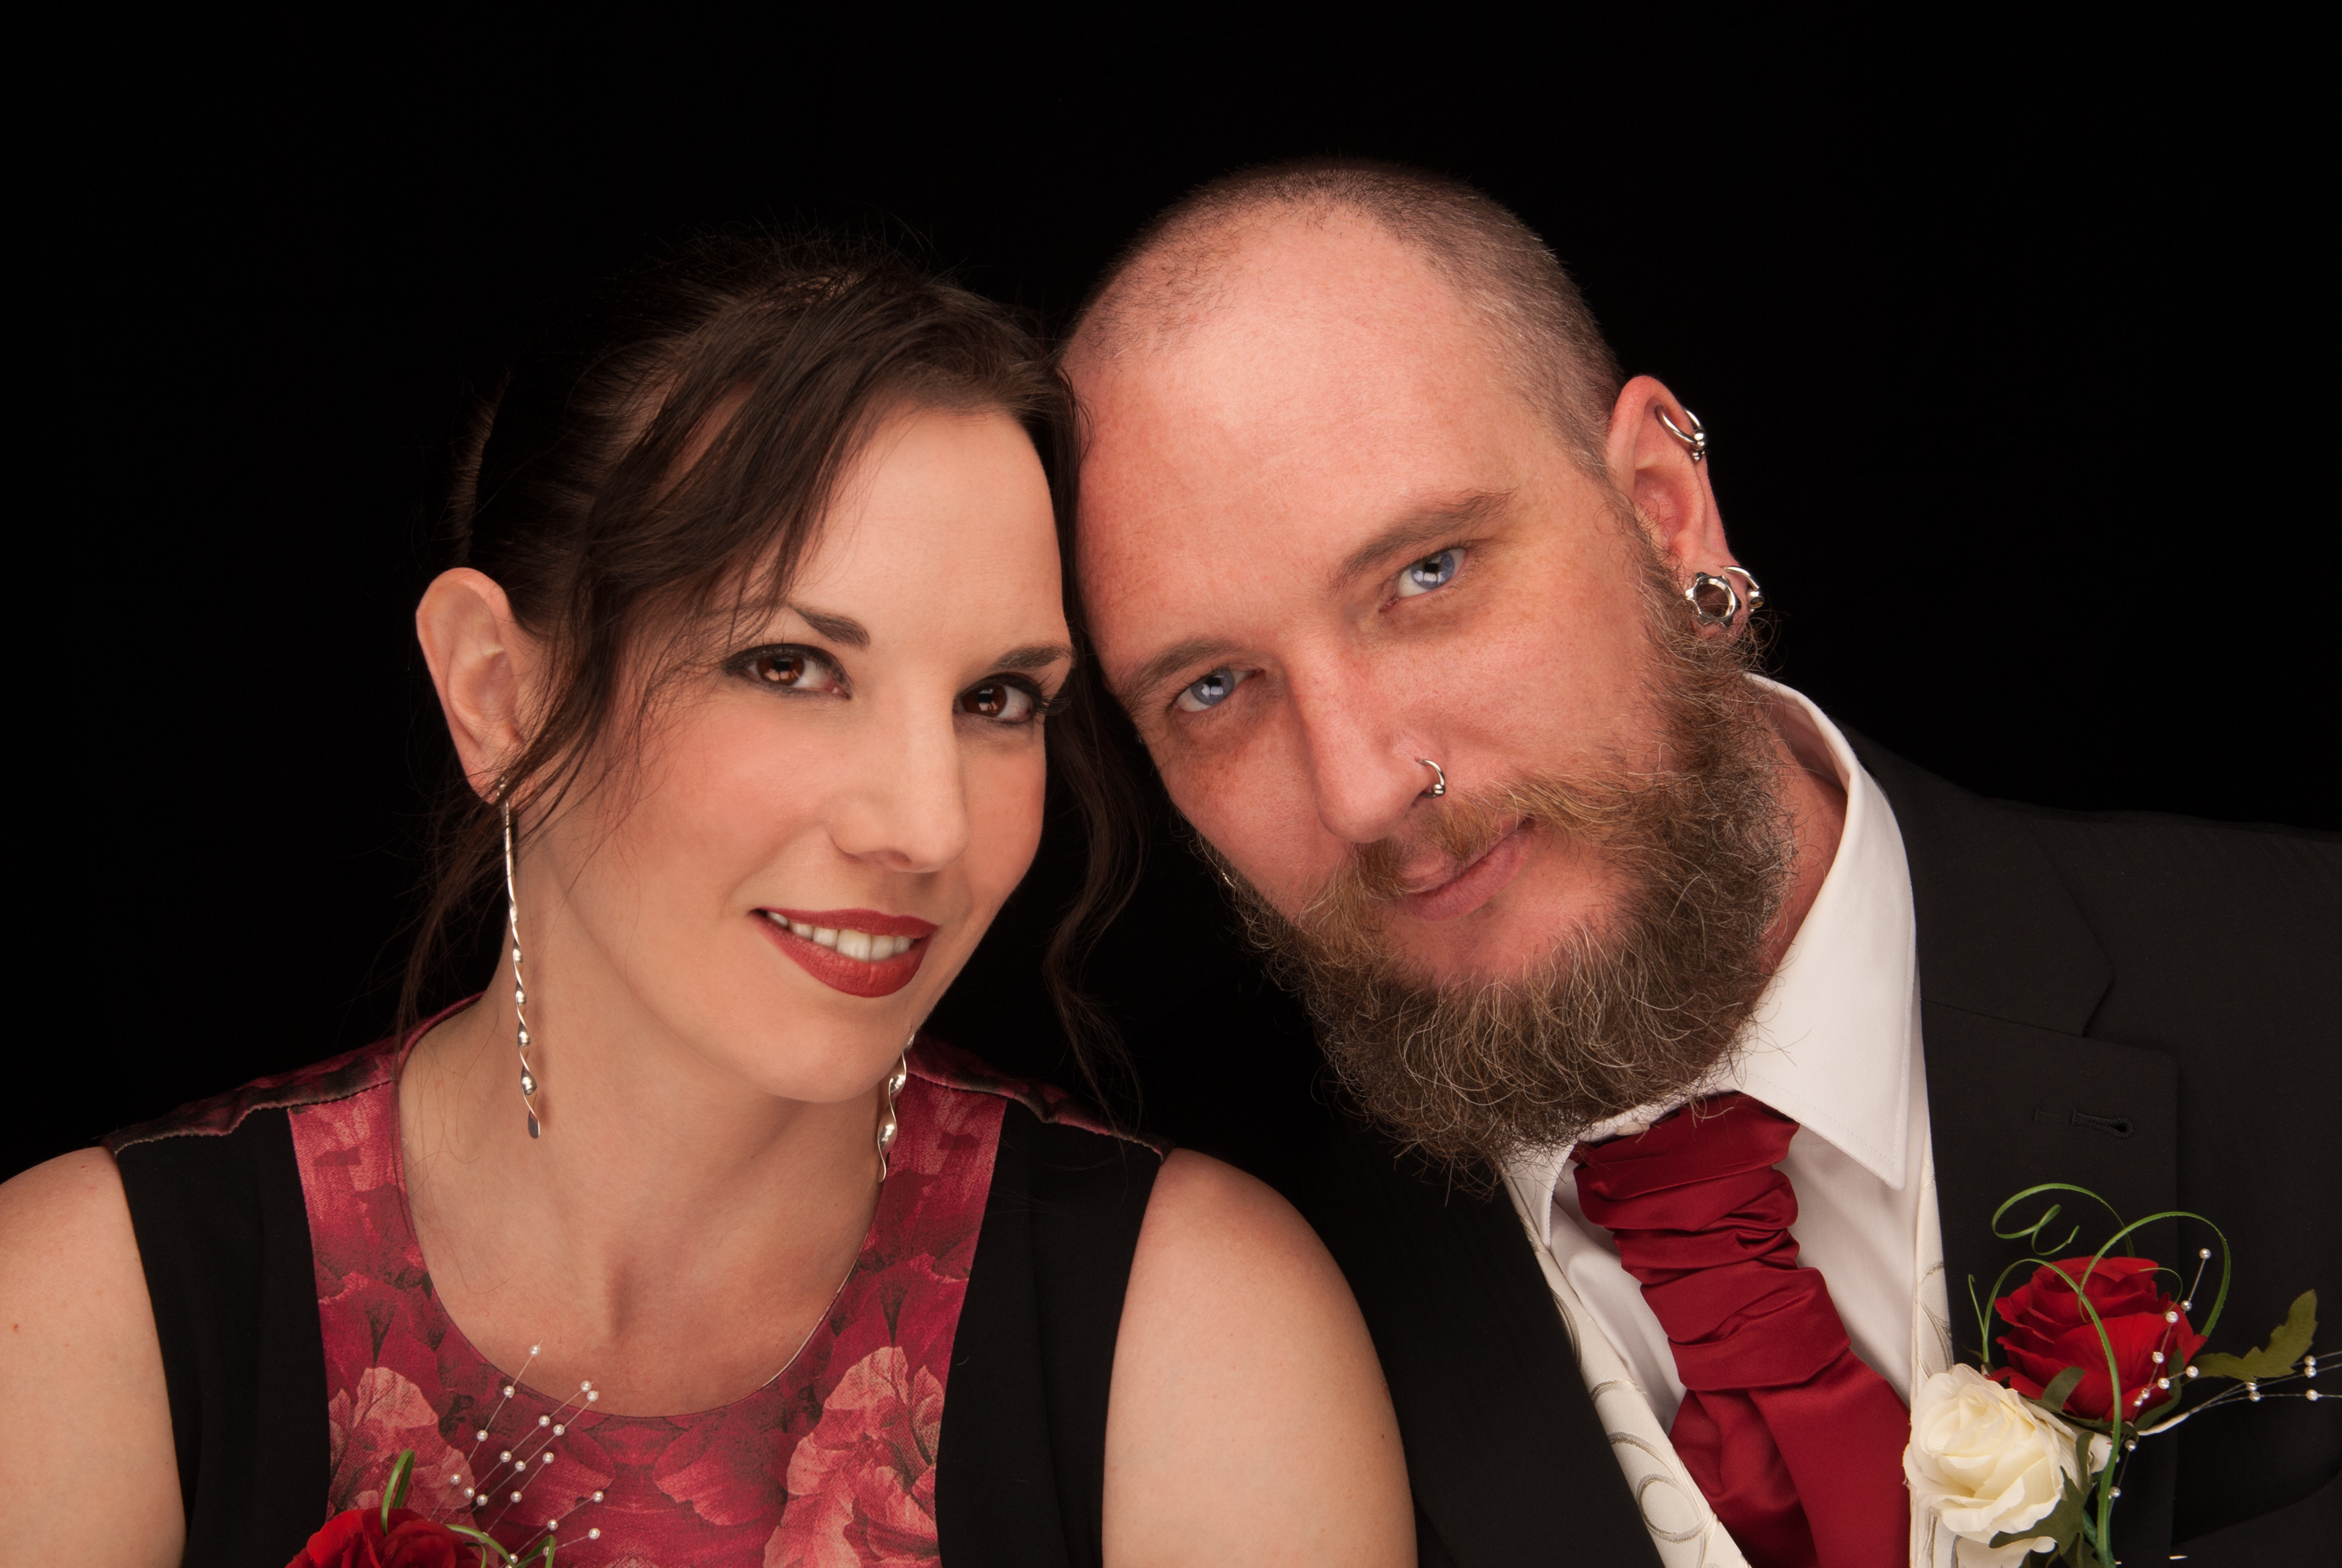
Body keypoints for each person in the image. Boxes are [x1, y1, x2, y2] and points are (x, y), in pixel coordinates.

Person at [0, 235, 1414, 1567]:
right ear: (497, 692)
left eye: (997, 698)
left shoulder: (1198, 1334)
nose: (927, 825)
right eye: (792, 666)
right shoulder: (78, 1311)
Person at [1059, 160, 2339, 1567]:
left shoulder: (2310, 985)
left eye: (1429, 573)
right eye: (1214, 689)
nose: (1362, 788)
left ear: (1665, 510)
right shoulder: (1176, 1329)